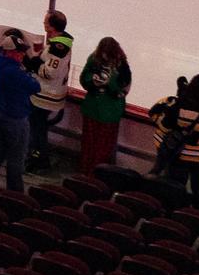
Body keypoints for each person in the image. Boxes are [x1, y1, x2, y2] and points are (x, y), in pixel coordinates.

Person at [0, 29, 40, 192]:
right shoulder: (14, 72)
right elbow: (35, 86)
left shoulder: (0, 63)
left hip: (0, 114)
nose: (22, 55)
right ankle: (15, 191)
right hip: (15, 118)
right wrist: (30, 74)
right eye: (19, 52)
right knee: (16, 156)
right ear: (10, 52)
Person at [74, 37, 129, 173]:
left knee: (103, 147)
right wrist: (93, 80)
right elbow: (84, 78)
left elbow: (123, 89)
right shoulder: (94, 59)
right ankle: (85, 172)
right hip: (92, 109)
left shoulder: (122, 66)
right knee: (88, 144)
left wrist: (109, 83)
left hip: (109, 113)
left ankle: (97, 175)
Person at [27, 10, 73, 172]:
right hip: (48, 94)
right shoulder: (58, 43)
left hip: (45, 96)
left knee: (37, 129)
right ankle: (38, 157)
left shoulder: (58, 47)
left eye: (46, 22)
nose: (43, 24)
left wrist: (34, 64)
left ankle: (39, 160)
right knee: (38, 129)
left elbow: (49, 72)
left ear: (52, 26)